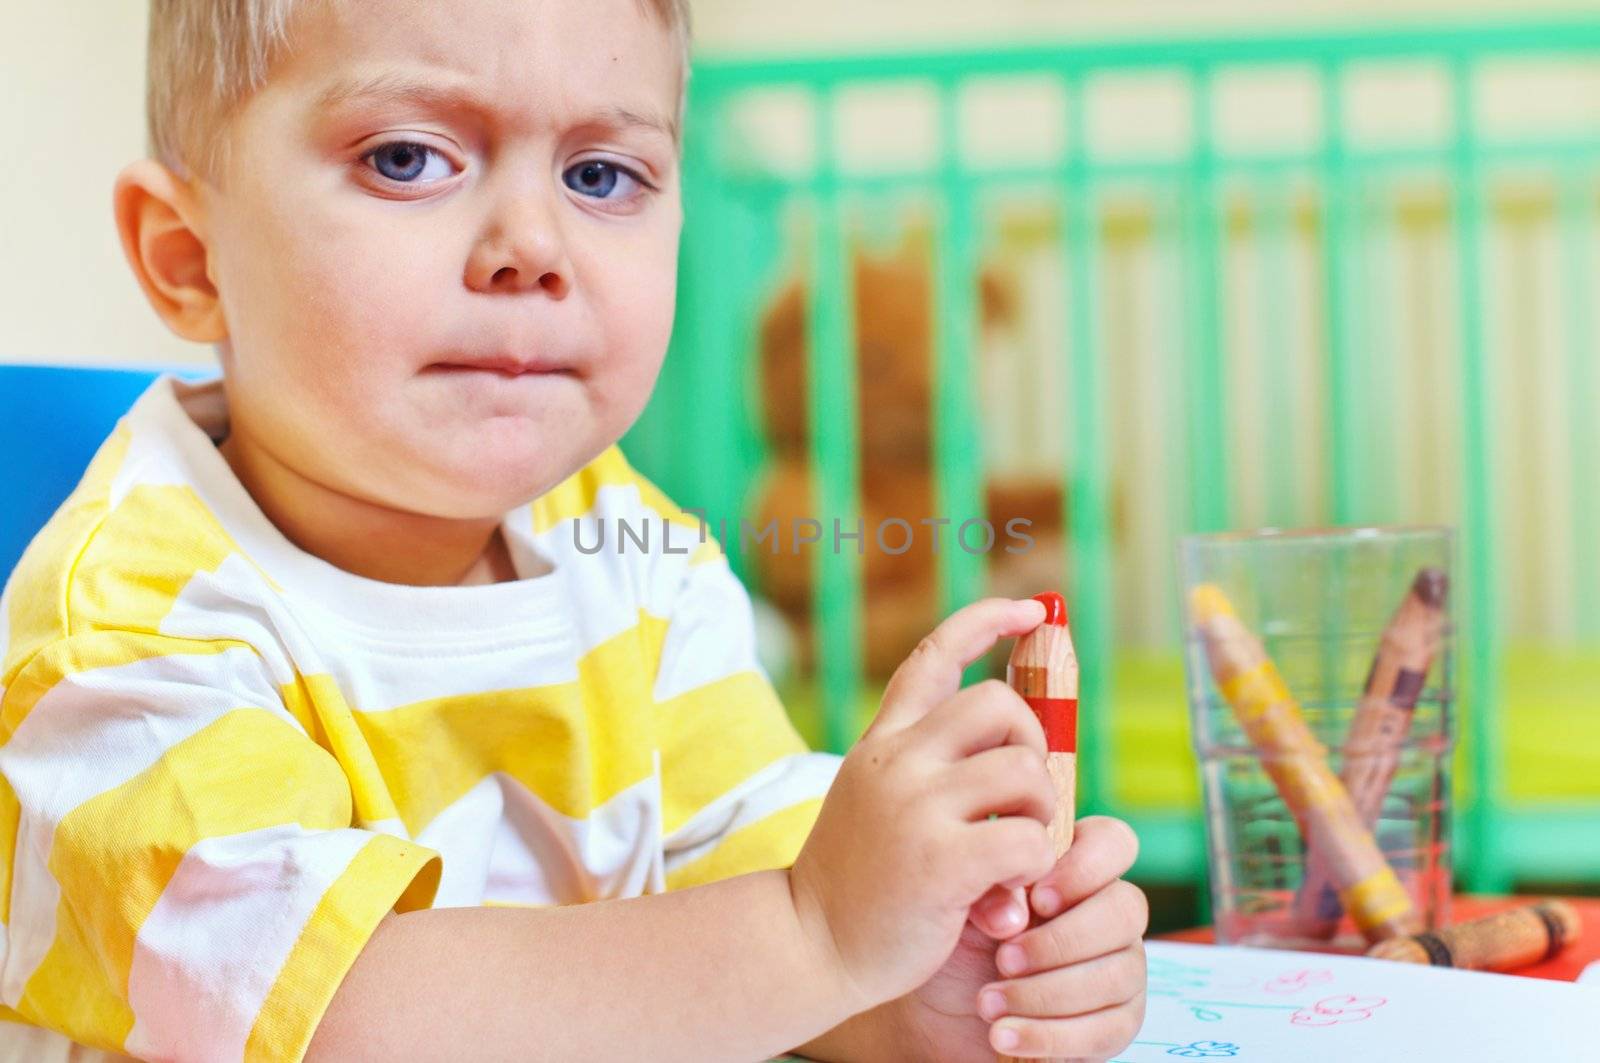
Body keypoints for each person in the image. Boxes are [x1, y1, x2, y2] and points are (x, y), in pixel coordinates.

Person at [0, 1, 1146, 1059]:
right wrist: (813, 938)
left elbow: (740, 882)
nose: (530, 244)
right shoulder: (119, 629)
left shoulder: (626, 544)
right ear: (186, 257)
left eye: (601, 173)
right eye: (406, 158)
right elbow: (336, 1017)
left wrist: (929, 987)